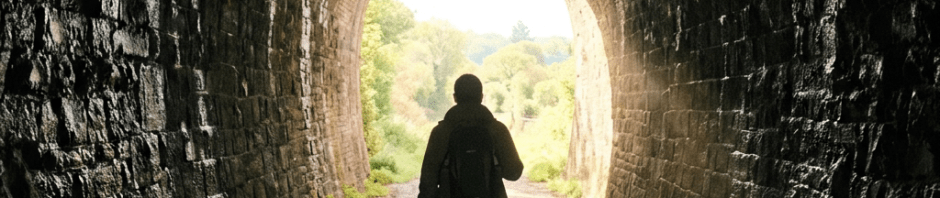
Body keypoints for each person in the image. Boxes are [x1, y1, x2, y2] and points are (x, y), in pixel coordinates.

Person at [418, 74, 524, 198]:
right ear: (481, 97)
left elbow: (428, 182)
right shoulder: (498, 130)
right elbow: (514, 173)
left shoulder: (441, 132)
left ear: (455, 97)